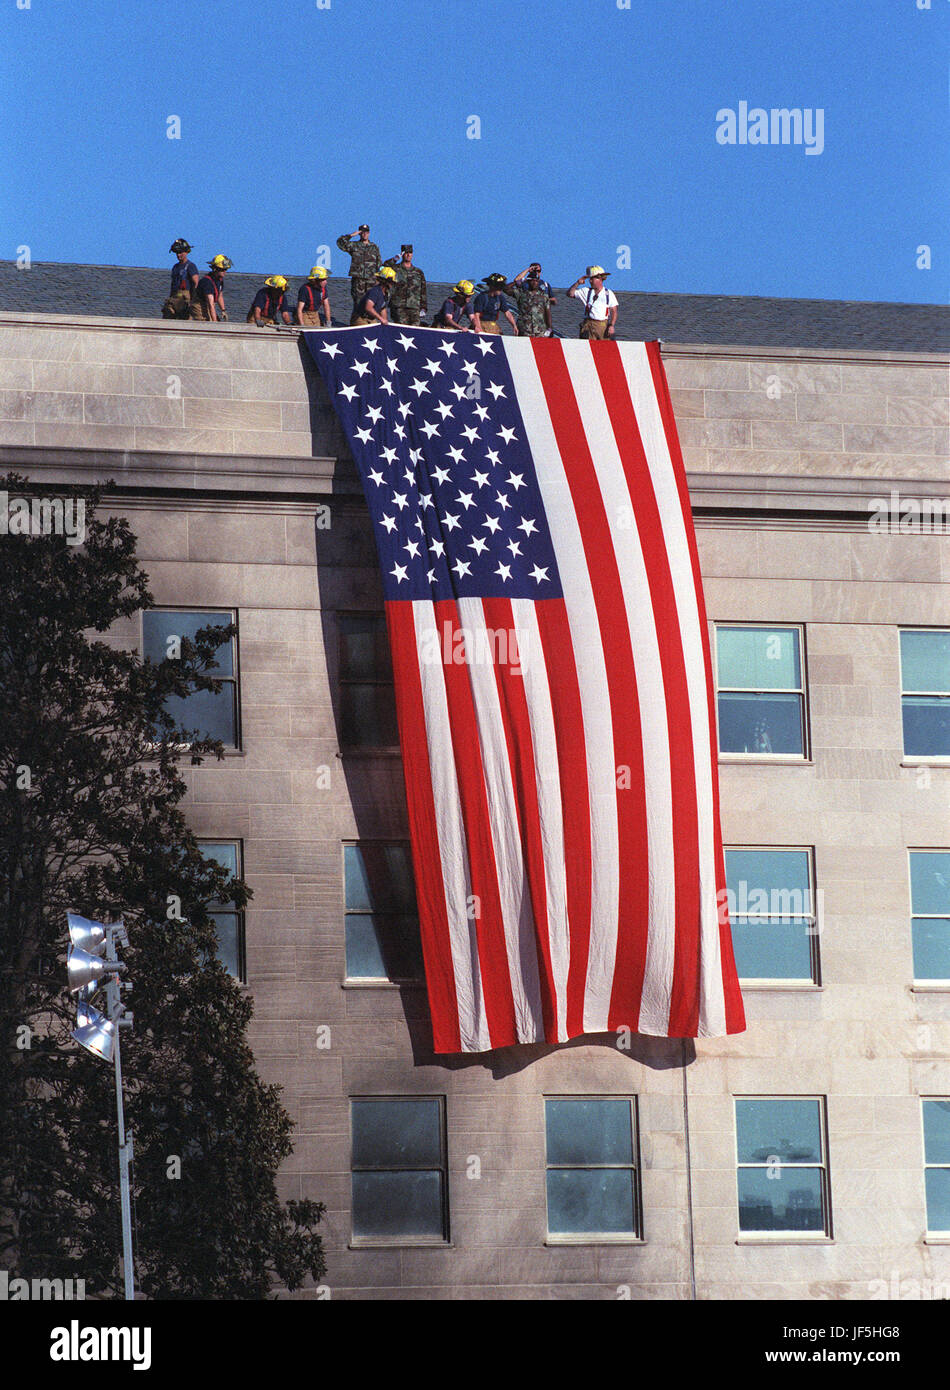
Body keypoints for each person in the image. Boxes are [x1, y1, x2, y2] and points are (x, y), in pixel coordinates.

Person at [336, 224, 381, 314]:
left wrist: (378, 279)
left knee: (371, 302)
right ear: (359, 233)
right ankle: (357, 322)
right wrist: (351, 235)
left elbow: (379, 263)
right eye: (362, 232)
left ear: (369, 233)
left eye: (366, 232)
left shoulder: (374, 247)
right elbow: (340, 242)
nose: (364, 234)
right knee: (358, 302)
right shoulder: (354, 245)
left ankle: (369, 322)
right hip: (358, 280)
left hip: (371, 280)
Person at [567, 265, 618, 339]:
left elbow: (614, 311)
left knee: (604, 348)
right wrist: (577, 283)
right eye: (590, 279)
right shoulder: (586, 291)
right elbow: (570, 294)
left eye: (592, 279)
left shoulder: (608, 293)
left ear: (600, 279)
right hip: (588, 326)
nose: (590, 281)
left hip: (602, 327)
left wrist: (611, 326)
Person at [383, 244, 427, 326]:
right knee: (401, 329)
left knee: (415, 331)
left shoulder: (418, 272)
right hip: (399, 306)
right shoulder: (395, 269)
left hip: (414, 307)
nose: (408, 255)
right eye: (406, 252)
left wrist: (424, 307)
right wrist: (395, 259)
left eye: (410, 252)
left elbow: (423, 290)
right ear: (402, 254)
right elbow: (382, 268)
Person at [507, 266, 552, 339]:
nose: (534, 283)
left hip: (540, 330)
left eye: (536, 281)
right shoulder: (521, 293)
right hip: (524, 329)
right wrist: (517, 281)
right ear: (528, 281)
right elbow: (506, 289)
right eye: (532, 280)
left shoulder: (544, 296)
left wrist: (549, 328)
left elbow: (547, 312)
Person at [162, 239, 199, 319]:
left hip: (185, 297)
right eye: (177, 253)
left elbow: (196, 283)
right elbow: (173, 285)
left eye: (181, 252)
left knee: (184, 318)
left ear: (186, 252)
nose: (179, 255)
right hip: (174, 297)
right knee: (168, 313)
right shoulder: (175, 267)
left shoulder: (191, 266)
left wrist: (193, 300)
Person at [189, 255, 232, 322]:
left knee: (218, 323)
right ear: (215, 269)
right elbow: (210, 304)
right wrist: (214, 323)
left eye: (226, 269)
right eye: (222, 269)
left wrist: (223, 310)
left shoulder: (220, 280)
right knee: (206, 324)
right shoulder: (207, 282)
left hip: (209, 306)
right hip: (199, 307)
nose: (225, 272)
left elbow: (219, 296)